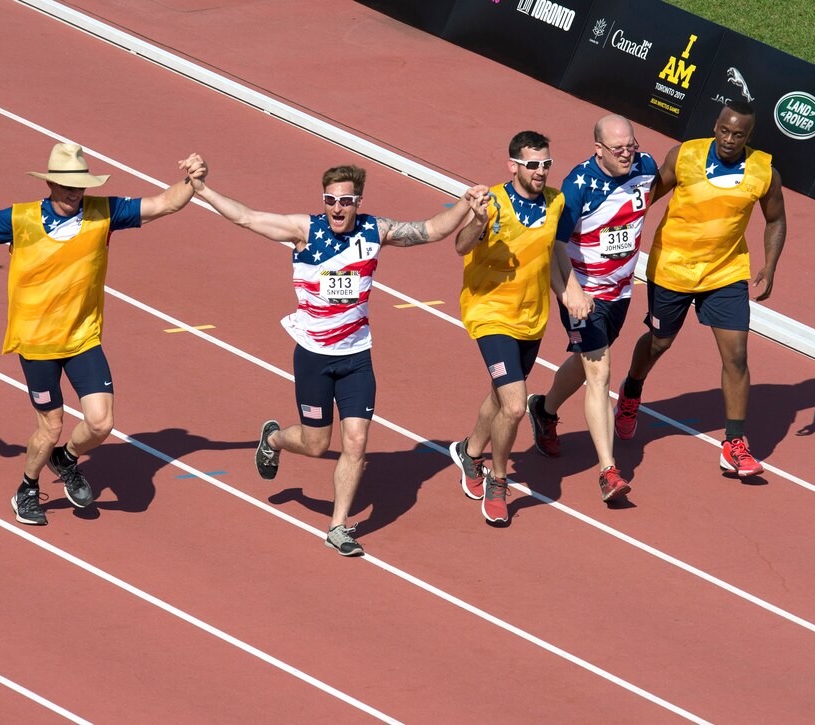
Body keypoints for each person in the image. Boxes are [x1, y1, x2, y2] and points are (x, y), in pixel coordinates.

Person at [188, 164, 487, 556]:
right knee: (315, 444)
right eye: (331, 200)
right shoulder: (304, 231)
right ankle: (274, 438)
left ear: (358, 202)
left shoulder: (374, 231)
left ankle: (338, 527)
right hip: (314, 358)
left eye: (345, 201)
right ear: (323, 201)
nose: (338, 208)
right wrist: (203, 190)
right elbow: (247, 217)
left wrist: (466, 205)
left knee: (357, 441)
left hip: (356, 358)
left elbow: (430, 230)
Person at [0, 144, 207, 525]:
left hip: (82, 338)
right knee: (50, 426)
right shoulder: (20, 218)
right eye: (65, 185)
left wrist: (192, 181)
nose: (72, 193)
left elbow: (164, 203)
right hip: (37, 343)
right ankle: (27, 488)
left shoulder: (104, 213)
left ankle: (66, 459)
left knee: (101, 423)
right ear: (49, 183)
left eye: (79, 186)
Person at [615, 100, 786, 477]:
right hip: (672, 268)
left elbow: (775, 220)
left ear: (749, 136)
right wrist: (614, 235)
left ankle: (734, 443)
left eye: (738, 134)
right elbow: (645, 198)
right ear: (716, 125)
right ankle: (631, 391)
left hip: (724, 273)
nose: (728, 139)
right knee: (659, 343)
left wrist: (769, 267)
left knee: (737, 356)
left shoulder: (763, 171)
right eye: (724, 130)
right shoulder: (685, 155)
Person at [448, 131, 591, 525]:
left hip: (532, 317)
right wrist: (477, 222)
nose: (541, 171)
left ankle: (469, 452)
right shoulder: (490, 201)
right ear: (513, 166)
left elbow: (555, 254)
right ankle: (498, 481)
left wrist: (570, 293)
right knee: (513, 404)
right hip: (489, 312)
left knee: (500, 395)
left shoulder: (556, 201)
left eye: (546, 164)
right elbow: (460, 247)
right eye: (532, 164)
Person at [524, 115, 657, 502]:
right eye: (618, 149)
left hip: (620, 291)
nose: (627, 154)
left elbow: (664, 177)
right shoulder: (578, 186)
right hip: (584, 294)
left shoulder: (645, 167)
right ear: (598, 149)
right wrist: (572, 293)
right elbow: (552, 248)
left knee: (586, 364)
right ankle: (608, 470)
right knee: (600, 372)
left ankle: (544, 410)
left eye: (631, 145)